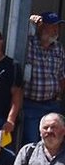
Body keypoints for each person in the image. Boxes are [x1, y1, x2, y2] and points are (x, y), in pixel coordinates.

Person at [20, 13, 64, 146]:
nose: (56, 30)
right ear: (42, 27)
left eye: (57, 26)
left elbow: (62, 75)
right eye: (52, 26)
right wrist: (31, 22)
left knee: (54, 143)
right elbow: (17, 29)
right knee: (32, 142)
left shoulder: (58, 49)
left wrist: (60, 96)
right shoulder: (29, 44)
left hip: (52, 104)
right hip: (31, 104)